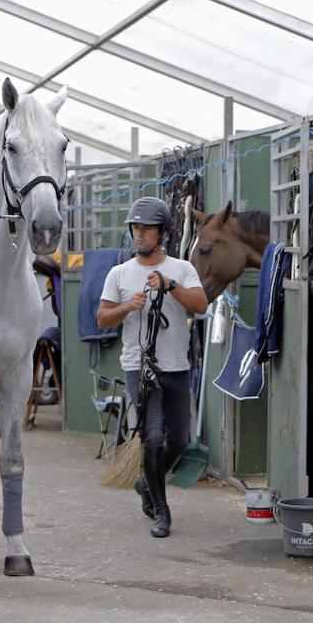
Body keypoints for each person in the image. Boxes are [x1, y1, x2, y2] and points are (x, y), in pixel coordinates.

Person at [97, 197, 207, 537]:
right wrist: (128, 306)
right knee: (153, 438)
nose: (139, 234)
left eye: (146, 229)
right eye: (136, 228)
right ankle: (162, 512)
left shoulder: (182, 269)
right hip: (139, 368)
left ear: (163, 233)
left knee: (180, 441)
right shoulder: (119, 273)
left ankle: (147, 482)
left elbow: (201, 305)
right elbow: (102, 318)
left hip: (176, 367)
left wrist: (170, 286)